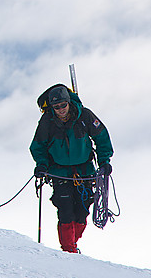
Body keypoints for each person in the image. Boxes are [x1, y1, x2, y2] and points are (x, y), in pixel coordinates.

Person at [30, 84, 113, 253]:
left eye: (63, 105)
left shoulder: (85, 116)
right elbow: (37, 146)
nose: (60, 110)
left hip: (85, 172)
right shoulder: (47, 121)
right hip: (59, 172)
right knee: (65, 211)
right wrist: (42, 164)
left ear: (69, 102)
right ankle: (69, 250)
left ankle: (72, 244)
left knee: (82, 213)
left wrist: (104, 161)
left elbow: (102, 137)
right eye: (56, 107)